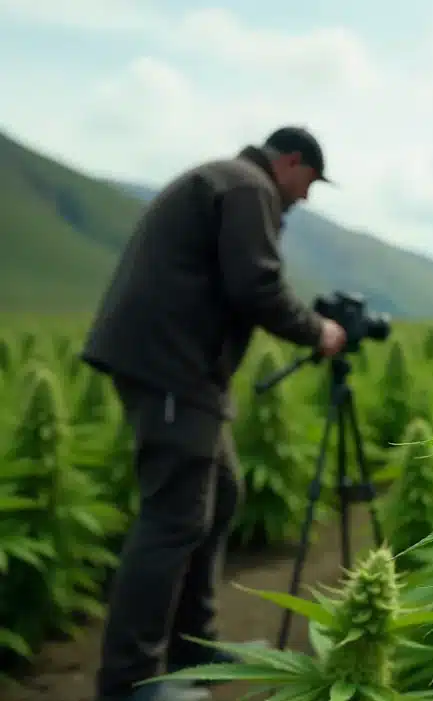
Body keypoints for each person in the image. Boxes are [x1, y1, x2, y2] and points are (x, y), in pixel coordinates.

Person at [81, 126, 347, 701]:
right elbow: (256, 285)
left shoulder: (230, 181)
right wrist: (317, 330)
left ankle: (192, 650)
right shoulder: (248, 187)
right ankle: (131, 680)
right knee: (173, 517)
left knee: (220, 494)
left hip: (181, 369)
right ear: (291, 162)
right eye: (308, 182)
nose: (306, 197)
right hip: (172, 369)